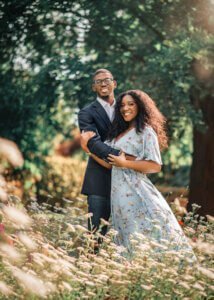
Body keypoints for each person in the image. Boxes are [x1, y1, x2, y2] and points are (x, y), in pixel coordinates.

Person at [82, 90, 195, 259]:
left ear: (141, 106)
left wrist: (125, 163)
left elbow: (155, 166)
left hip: (137, 192)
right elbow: (108, 163)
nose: (125, 108)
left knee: (145, 234)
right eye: (122, 105)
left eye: (131, 104)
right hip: (118, 196)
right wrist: (88, 151)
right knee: (127, 238)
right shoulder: (117, 134)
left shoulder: (145, 132)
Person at [78, 69, 135, 241]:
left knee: (129, 235)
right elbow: (92, 143)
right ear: (93, 87)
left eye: (107, 80)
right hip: (99, 181)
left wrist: (130, 161)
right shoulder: (86, 113)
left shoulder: (127, 108)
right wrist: (121, 156)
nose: (103, 83)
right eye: (98, 81)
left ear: (114, 83)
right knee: (94, 235)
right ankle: (88, 267)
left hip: (127, 180)